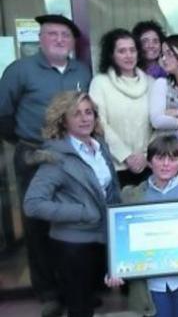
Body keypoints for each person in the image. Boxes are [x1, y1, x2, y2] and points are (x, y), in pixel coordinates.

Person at [0, 14, 91, 316]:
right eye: (52, 34)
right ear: (40, 38)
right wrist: (27, 142)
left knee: (74, 224)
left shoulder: (81, 70)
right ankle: (49, 293)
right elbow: (4, 115)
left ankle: (76, 290)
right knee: (38, 225)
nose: (59, 40)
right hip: (35, 155)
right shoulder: (20, 70)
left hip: (74, 155)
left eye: (65, 35)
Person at [24, 91, 121, 317]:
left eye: (89, 112)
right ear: (63, 120)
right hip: (72, 246)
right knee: (79, 308)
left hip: (101, 240)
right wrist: (81, 212)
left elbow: (109, 188)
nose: (85, 118)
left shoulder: (100, 148)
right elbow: (33, 203)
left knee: (91, 299)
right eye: (76, 114)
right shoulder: (55, 157)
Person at [105, 135, 178, 317]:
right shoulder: (131, 196)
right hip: (150, 284)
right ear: (149, 162)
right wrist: (114, 269)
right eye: (159, 158)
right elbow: (120, 239)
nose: (165, 164)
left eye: (172, 159)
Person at [89, 28, 152, 187]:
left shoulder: (151, 83)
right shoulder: (100, 83)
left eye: (132, 50)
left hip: (149, 165)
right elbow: (99, 122)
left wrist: (145, 156)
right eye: (122, 51)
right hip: (115, 167)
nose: (129, 55)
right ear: (112, 55)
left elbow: (158, 125)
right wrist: (126, 156)